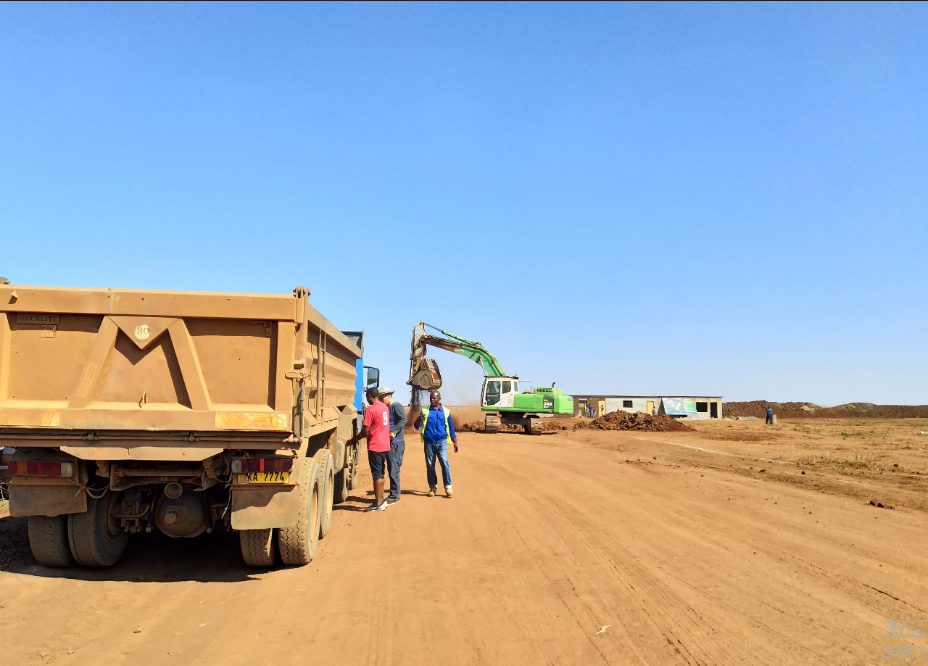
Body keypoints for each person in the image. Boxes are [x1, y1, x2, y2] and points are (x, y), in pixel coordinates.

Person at [347, 387, 391, 512]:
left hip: (375, 446)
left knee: (376, 475)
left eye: (368, 397)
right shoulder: (385, 408)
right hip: (385, 445)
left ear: (370, 396)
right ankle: (381, 500)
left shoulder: (371, 410)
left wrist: (353, 440)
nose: (367, 399)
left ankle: (378, 502)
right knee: (381, 474)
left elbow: (365, 431)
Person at [413, 390, 457, 498]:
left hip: (442, 441)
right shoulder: (425, 411)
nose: (432, 400)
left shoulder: (446, 412)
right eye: (431, 398)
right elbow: (416, 425)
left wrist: (455, 441)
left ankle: (448, 486)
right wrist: (419, 419)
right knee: (430, 465)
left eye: (434, 398)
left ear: (439, 399)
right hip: (429, 442)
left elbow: (451, 428)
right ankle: (433, 487)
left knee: (444, 463)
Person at [379, 387, 406, 505]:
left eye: (382, 398)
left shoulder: (396, 406)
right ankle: (395, 493)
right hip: (390, 442)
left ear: (389, 395)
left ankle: (394, 495)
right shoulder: (388, 407)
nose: (381, 400)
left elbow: (403, 420)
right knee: (392, 468)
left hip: (396, 443)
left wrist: (393, 431)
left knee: (394, 469)